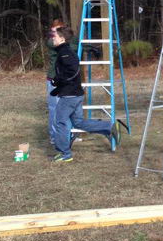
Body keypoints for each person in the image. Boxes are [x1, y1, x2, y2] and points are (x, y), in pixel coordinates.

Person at [50, 26, 114, 162]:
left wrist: (59, 80)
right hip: (75, 94)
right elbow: (69, 73)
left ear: (62, 38)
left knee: (60, 122)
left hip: (70, 96)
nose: (52, 38)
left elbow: (72, 70)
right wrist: (58, 85)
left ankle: (64, 154)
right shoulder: (65, 51)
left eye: (54, 36)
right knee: (78, 123)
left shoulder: (65, 52)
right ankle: (108, 126)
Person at [45, 20, 78, 144]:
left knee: (68, 108)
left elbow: (75, 44)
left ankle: (69, 134)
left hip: (66, 80)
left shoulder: (67, 42)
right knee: (54, 110)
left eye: (60, 30)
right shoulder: (51, 42)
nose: (56, 34)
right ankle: (55, 137)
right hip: (54, 80)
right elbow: (73, 45)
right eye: (54, 31)